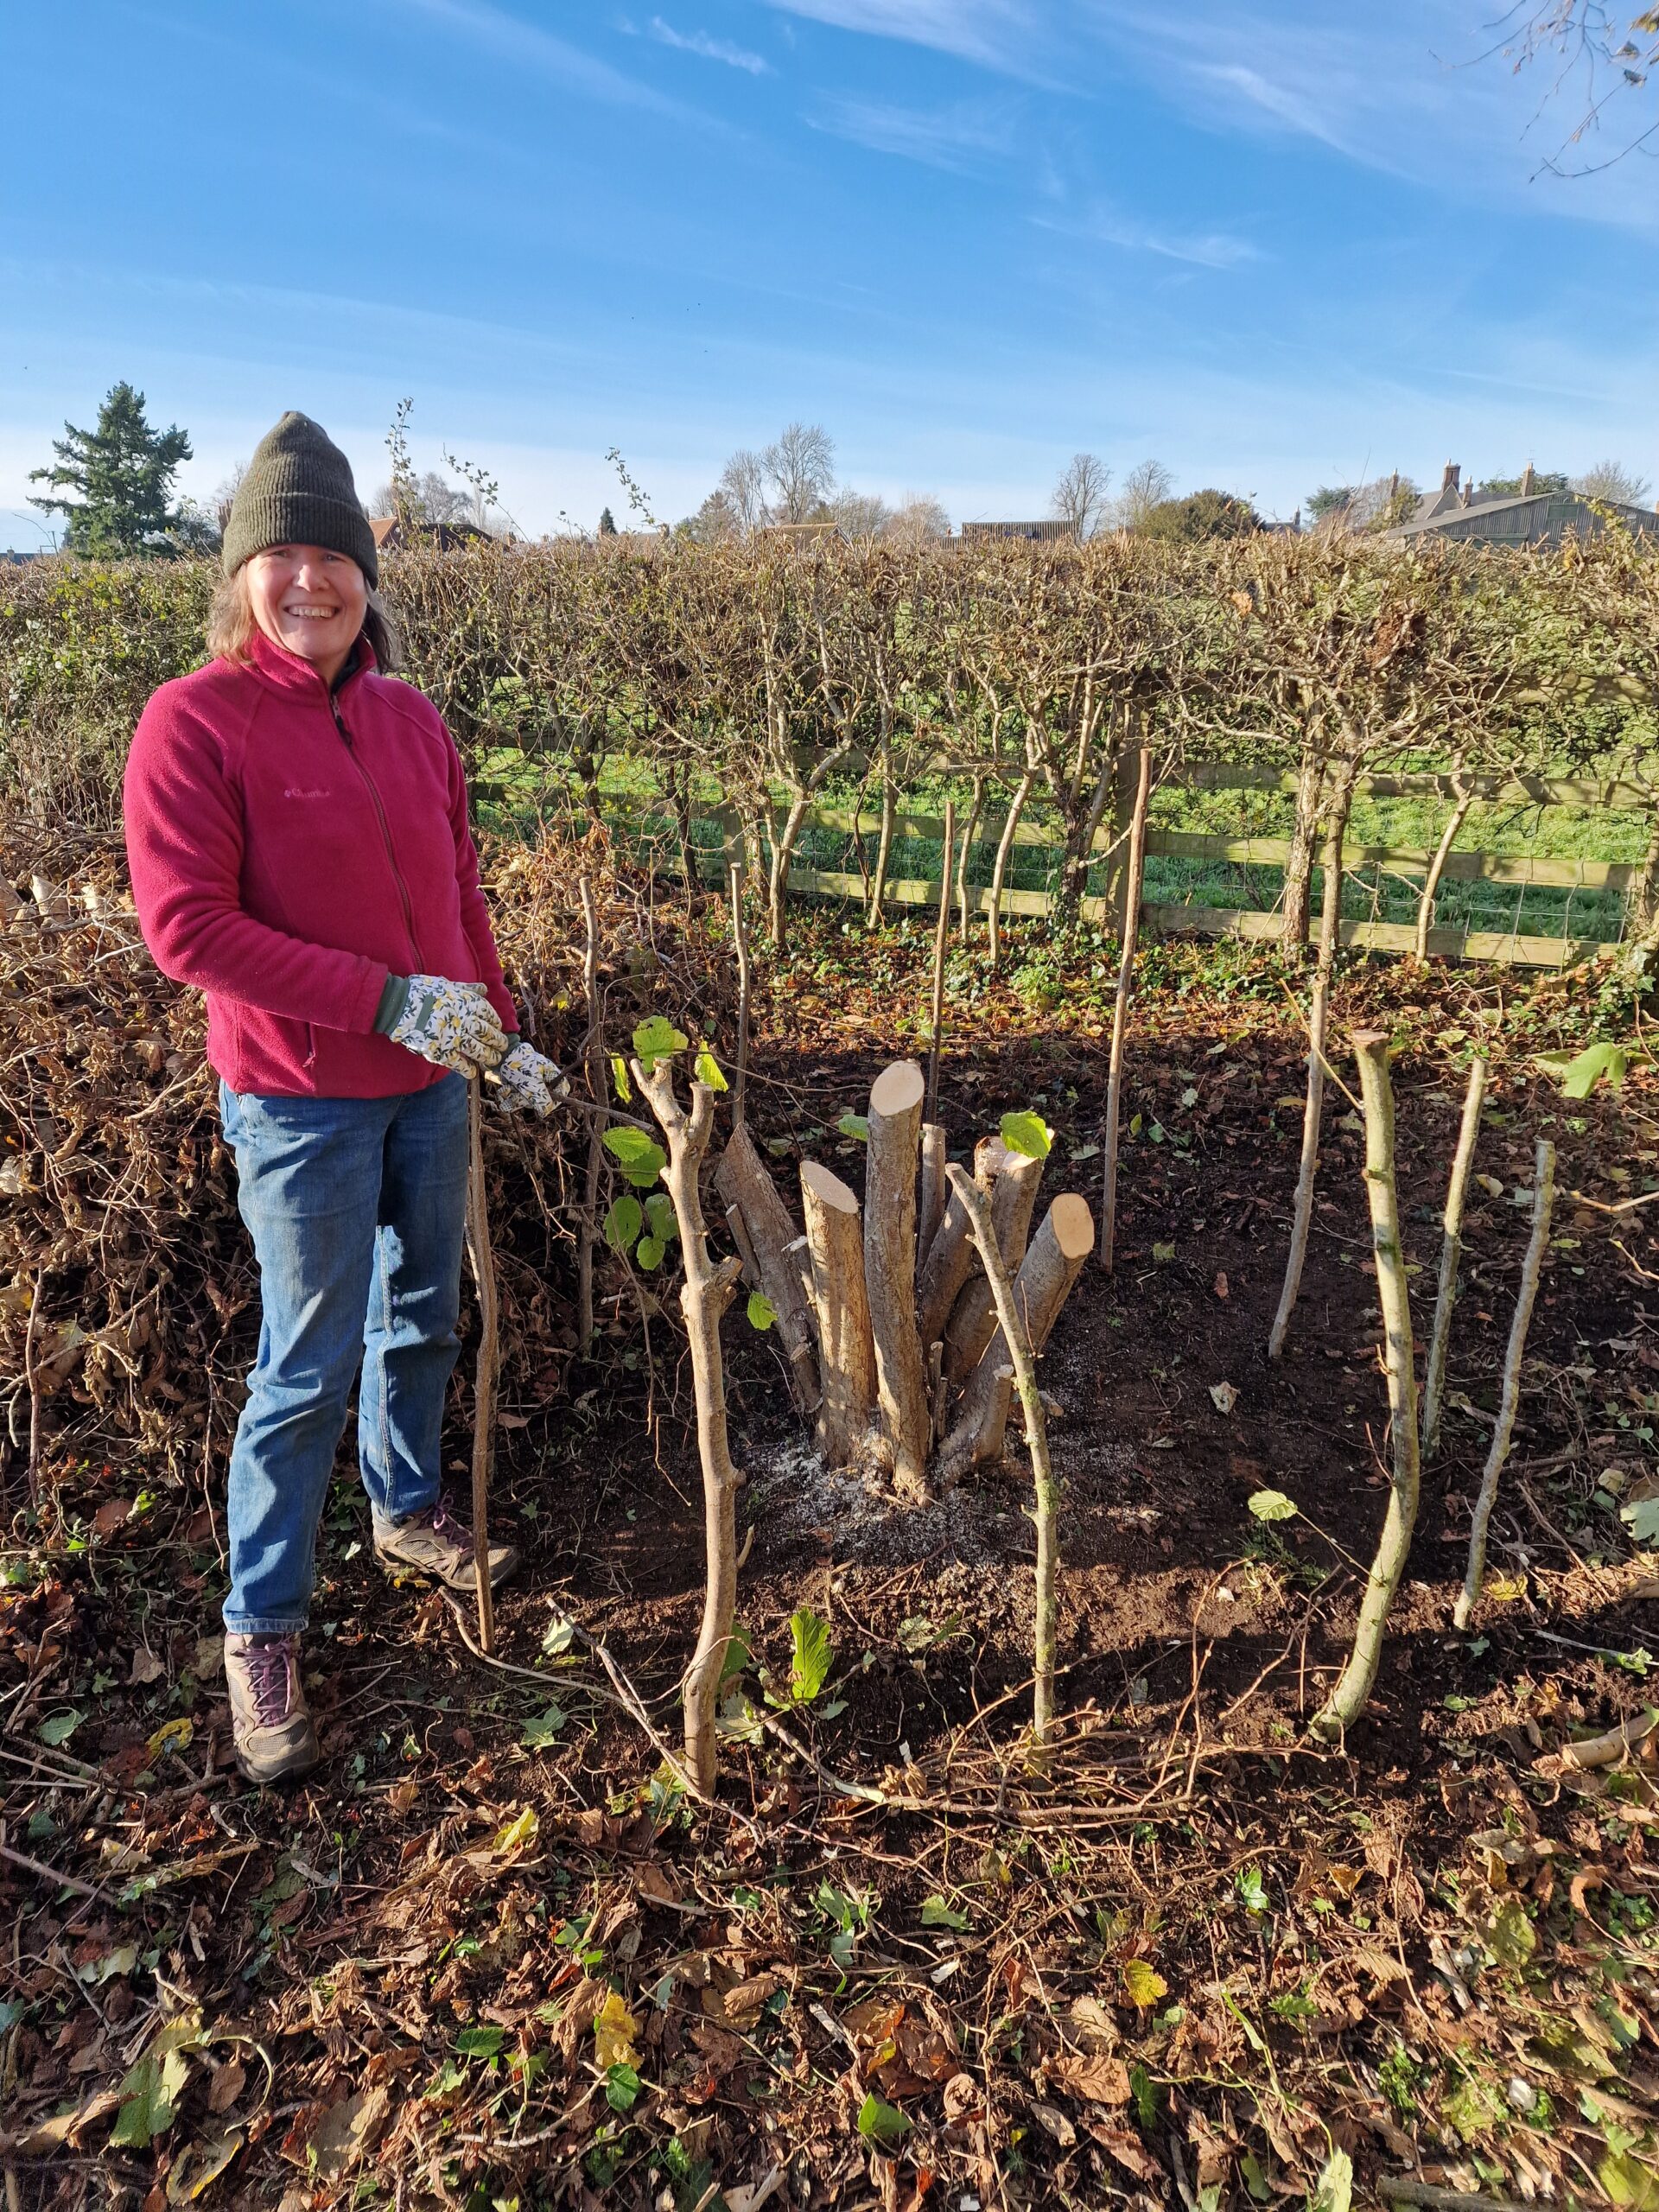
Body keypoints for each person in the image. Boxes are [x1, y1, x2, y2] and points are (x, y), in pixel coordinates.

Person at [124, 412, 565, 1784]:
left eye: (337, 556)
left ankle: (406, 1506)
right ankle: (262, 1623)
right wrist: (383, 1001)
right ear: (242, 574)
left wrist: (491, 1027)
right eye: (283, 555)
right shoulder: (194, 722)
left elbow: (455, 893)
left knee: (423, 1308)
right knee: (304, 1363)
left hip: (431, 1083)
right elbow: (185, 930)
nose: (311, 580)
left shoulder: (408, 718)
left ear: (369, 576)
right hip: (301, 1100)